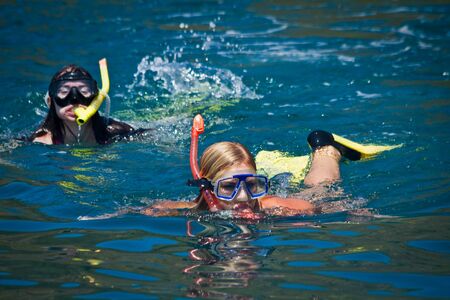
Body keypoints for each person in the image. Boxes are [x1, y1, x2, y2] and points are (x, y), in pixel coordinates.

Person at [142, 130, 356, 217]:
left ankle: (325, 150)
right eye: (228, 187)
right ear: (207, 187)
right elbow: (155, 208)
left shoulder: (276, 208)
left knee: (320, 189)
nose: (244, 197)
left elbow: (327, 207)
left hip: (291, 196)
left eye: (253, 185)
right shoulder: (191, 210)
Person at [30, 64, 144, 145]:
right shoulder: (41, 141)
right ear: (50, 102)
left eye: (84, 91)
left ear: (96, 98)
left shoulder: (115, 132)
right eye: (64, 92)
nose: (74, 99)